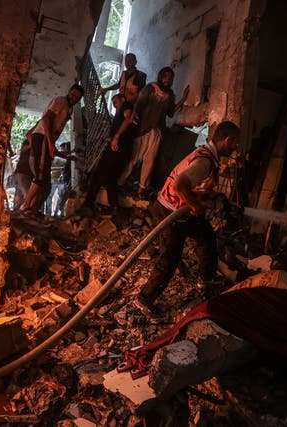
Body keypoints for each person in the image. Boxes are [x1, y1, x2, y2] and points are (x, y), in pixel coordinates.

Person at [134, 120, 240, 319]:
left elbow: (193, 187)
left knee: (206, 235)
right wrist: (195, 205)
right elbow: (179, 186)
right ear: (227, 140)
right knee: (170, 258)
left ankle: (206, 280)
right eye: (235, 143)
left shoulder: (208, 157)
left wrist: (204, 200)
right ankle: (144, 299)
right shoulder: (205, 162)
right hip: (170, 212)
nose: (236, 147)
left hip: (179, 210)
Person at [118, 67, 189, 199]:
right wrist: (132, 119)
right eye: (166, 76)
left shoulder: (170, 94)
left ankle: (141, 188)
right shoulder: (150, 88)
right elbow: (138, 105)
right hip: (143, 129)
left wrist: (183, 99)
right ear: (161, 76)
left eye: (171, 78)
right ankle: (120, 182)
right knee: (134, 157)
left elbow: (171, 112)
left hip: (157, 131)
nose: (168, 80)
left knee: (149, 160)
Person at [19, 84, 83, 215]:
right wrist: (49, 142)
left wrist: (65, 156)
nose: (74, 98)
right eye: (73, 94)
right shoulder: (61, 101)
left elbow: (51, 146)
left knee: (44, 182)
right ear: (69, 92)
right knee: (40, 175)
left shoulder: (68, 109)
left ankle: (31, 209)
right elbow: (46, 118)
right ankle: (25, 206)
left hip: (45, 139)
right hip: (42, 137)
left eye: (78, 97)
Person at [81, 93, 137, 214]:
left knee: (98, 175)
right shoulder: (119, 114)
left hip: (116, 149)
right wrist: (111, 138)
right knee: (111, 179)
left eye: (115, 100)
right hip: (123, 151)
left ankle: (88, 203)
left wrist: (116, 137)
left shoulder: (126, 106)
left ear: (123, 98)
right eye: (112, 101)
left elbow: (129, 118)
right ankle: (114, 207)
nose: (113, 102)